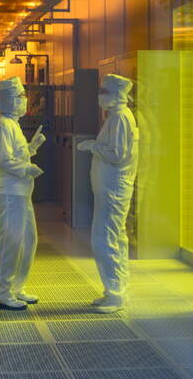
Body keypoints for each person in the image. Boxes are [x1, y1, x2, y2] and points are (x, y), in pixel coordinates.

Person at [77, 74, 139, 314]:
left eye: (104, 91)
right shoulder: (115, 118)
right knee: (111, 238)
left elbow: (118, 156)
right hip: (109, 191)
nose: (100, 96)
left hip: (114, 190)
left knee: (105, 240)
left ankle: (116, 294)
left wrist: (93, 146)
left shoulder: (122, 118)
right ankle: (113, 290)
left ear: (117, 95)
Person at [0, 77, 46, 310]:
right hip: (10, 193)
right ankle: (2, 293)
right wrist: (27, 168)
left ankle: (17, 288)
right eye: (20, 96)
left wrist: (33, 147)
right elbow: (4, 160)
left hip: (22, 193)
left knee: (27, 241)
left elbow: (16, 155)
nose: (24, 100)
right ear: (7, 100)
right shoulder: (2, 124)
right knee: (10, 243)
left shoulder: (12, 124)